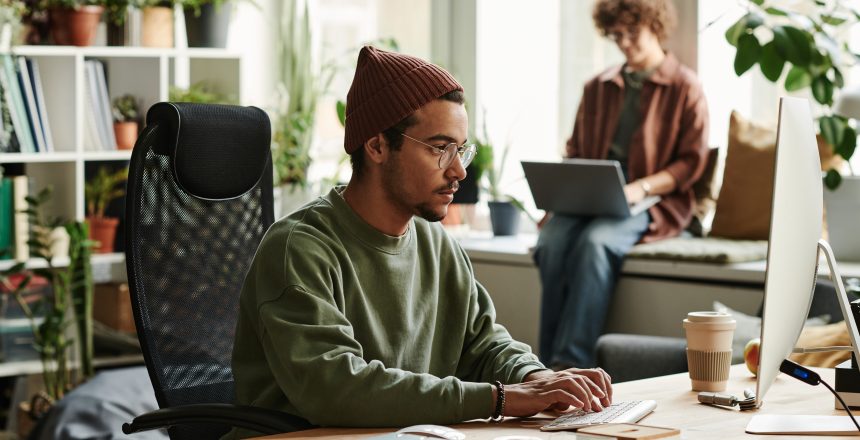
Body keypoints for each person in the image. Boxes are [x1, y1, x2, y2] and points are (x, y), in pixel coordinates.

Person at [228, 46, 613, 437]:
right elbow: (336, 389)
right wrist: (500, 399)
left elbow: (482, 344)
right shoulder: (299, 248)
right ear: (377, 146)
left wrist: (537, 379)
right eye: (441, 148)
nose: (459, 170)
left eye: (461, 149)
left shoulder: (436, 242)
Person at [535, 0, 709, 370]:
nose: (625, 43)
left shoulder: (684, 86)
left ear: (655, 27)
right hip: (591, 194)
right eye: (617, 36)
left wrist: (641, 188)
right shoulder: (598, 86)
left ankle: (571, 365)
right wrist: (562, 195)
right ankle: (541, 366)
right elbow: (576, 150)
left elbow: (691, 163)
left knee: (596, 243)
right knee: (550, 241)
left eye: (633, 33)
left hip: (651, 199)